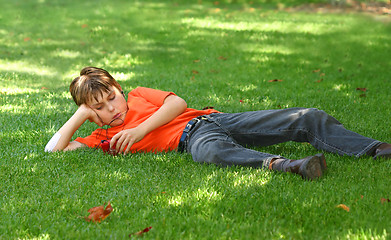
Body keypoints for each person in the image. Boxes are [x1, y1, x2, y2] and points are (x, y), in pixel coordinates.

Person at [45, 66, 391, 180]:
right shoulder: (102, 137)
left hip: (211, 119)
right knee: (210, 152)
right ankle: (287, 166)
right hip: (194, 139)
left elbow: (178, 103)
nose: (111, 108)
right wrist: (79, 116)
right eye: (99, 107)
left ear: (119, 89)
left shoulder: (137, 95)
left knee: (307, 117)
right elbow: (54, 150)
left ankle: (375, 149)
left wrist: (139, 129)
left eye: (111, 97)